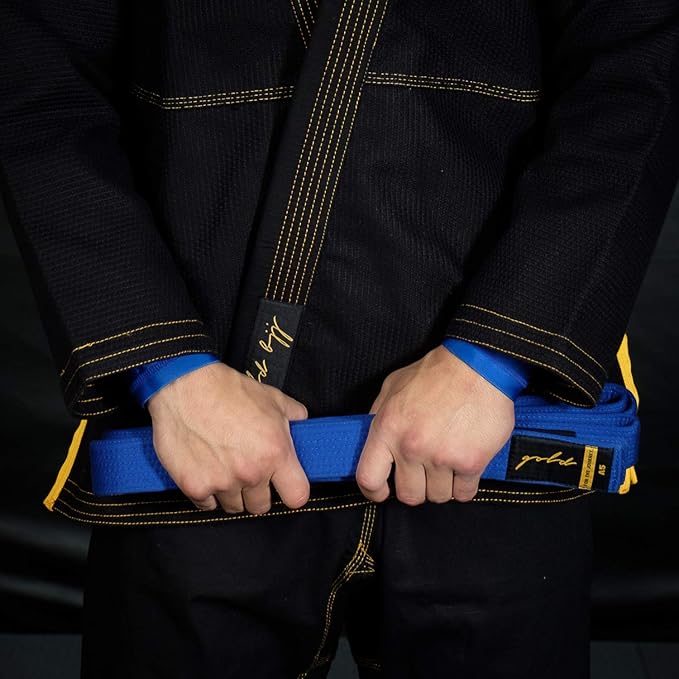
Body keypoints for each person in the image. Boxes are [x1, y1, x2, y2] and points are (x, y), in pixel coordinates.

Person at [1, 1, 678, 677]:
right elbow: (38, 80)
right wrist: (163, 366)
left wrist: (494, 357)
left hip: (488, 432)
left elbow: (636, 67)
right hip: (203, 432)